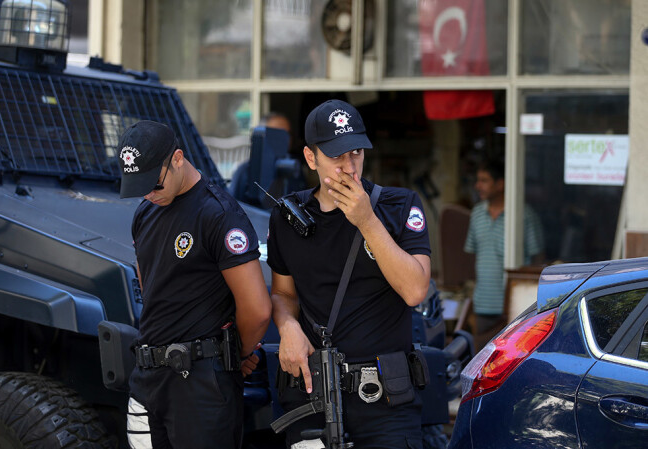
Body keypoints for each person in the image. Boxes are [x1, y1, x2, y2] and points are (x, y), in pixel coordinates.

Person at [267, 99, 432, 448]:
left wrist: (367, 221)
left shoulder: (399, 205)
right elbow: (283, 294)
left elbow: (416, 290)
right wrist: (287, 326)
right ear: (311, 158)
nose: (349, 166)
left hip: (386, 402)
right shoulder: (288, 217)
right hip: (314, 396)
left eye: (356, 153)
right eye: (336, 156)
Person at [117, 120, 271, 449]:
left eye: (154, 184)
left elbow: (257, 309)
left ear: (177, 158)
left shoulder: (218, 214)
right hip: (148, 380)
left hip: (200, 386)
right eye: (139, 186)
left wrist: (233, 354)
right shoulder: (145, 213)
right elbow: (151, 291)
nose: (147, 193)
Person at [464, 157, 544, 350]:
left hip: (515, 306)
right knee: (481, 363)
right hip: (483, 304)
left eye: (484, 180)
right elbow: (473, 256)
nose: (478, 186)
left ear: (500, 184)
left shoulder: (523, 215)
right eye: (478, 180)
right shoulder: (476, 214)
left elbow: (538, 259)